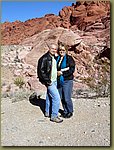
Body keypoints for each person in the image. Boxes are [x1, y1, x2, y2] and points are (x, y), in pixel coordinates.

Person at [37, 43, 63, 123]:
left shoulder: (53, 57)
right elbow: (41, 72)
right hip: (50, 81)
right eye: (52, 48)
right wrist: (48, 82)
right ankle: (54, 116)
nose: (54, 50)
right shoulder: (44, 58)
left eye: (55, 49)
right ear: (49, 48)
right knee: (56, 98)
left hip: (54, 80)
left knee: (49, 96)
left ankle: (47, 112)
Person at [56, 43, 75, 118]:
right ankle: (65, 110)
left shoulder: (69, 58)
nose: (61, 51)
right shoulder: (57, 58)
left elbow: (72, 69)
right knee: (61, 97)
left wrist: (62, 73)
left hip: (67, 80)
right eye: (60, 50)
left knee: (67, 97)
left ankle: (70, 111)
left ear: (66, 50)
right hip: (59, 80)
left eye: (63, 50)